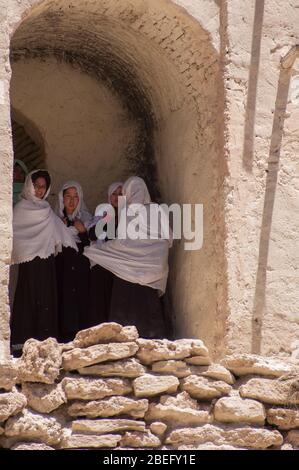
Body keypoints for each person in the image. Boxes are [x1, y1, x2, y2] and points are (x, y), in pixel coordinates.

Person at [84, 176, 172, 338]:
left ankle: (123, 338)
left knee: (124, 309)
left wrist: (100, 250)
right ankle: (153, 336)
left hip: (128, 271)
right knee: (149, 306)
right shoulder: (157, 210)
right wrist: (152, 251)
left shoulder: (128, 212)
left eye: (123, 193)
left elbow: (124, 244)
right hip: (152, 269)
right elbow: (168, 240)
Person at [10, 170, 77, 355]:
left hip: (46, 264)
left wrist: (72, 231)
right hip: (29, 265)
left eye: (43, 187)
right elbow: (16, 239)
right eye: (37, 186)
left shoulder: (47, 210)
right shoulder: (20, 209)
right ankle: (22, 343)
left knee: (46, 298)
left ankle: (45, 342)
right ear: (29, 186)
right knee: (28, 299)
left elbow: (61, 233)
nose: (40, 190)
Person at [55, 181, 93, 342]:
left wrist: (83, 232)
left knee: (82, 304)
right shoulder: (53, 219)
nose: (71, 201)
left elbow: (94, 248)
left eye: (76, 197)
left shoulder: (88, 220)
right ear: (61, 199)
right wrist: (60, 229)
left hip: (81, 272)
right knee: (63, 303)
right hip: (61, 271)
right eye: (68, 196)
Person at [87, 182, 123, 326]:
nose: (116, 197)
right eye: (113, 194)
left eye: (120, 194)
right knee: (100, 302)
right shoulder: (102, 215)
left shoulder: (129, 216)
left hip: (121, 266)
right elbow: (92, 235)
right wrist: (108, 218)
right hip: (102, 264)